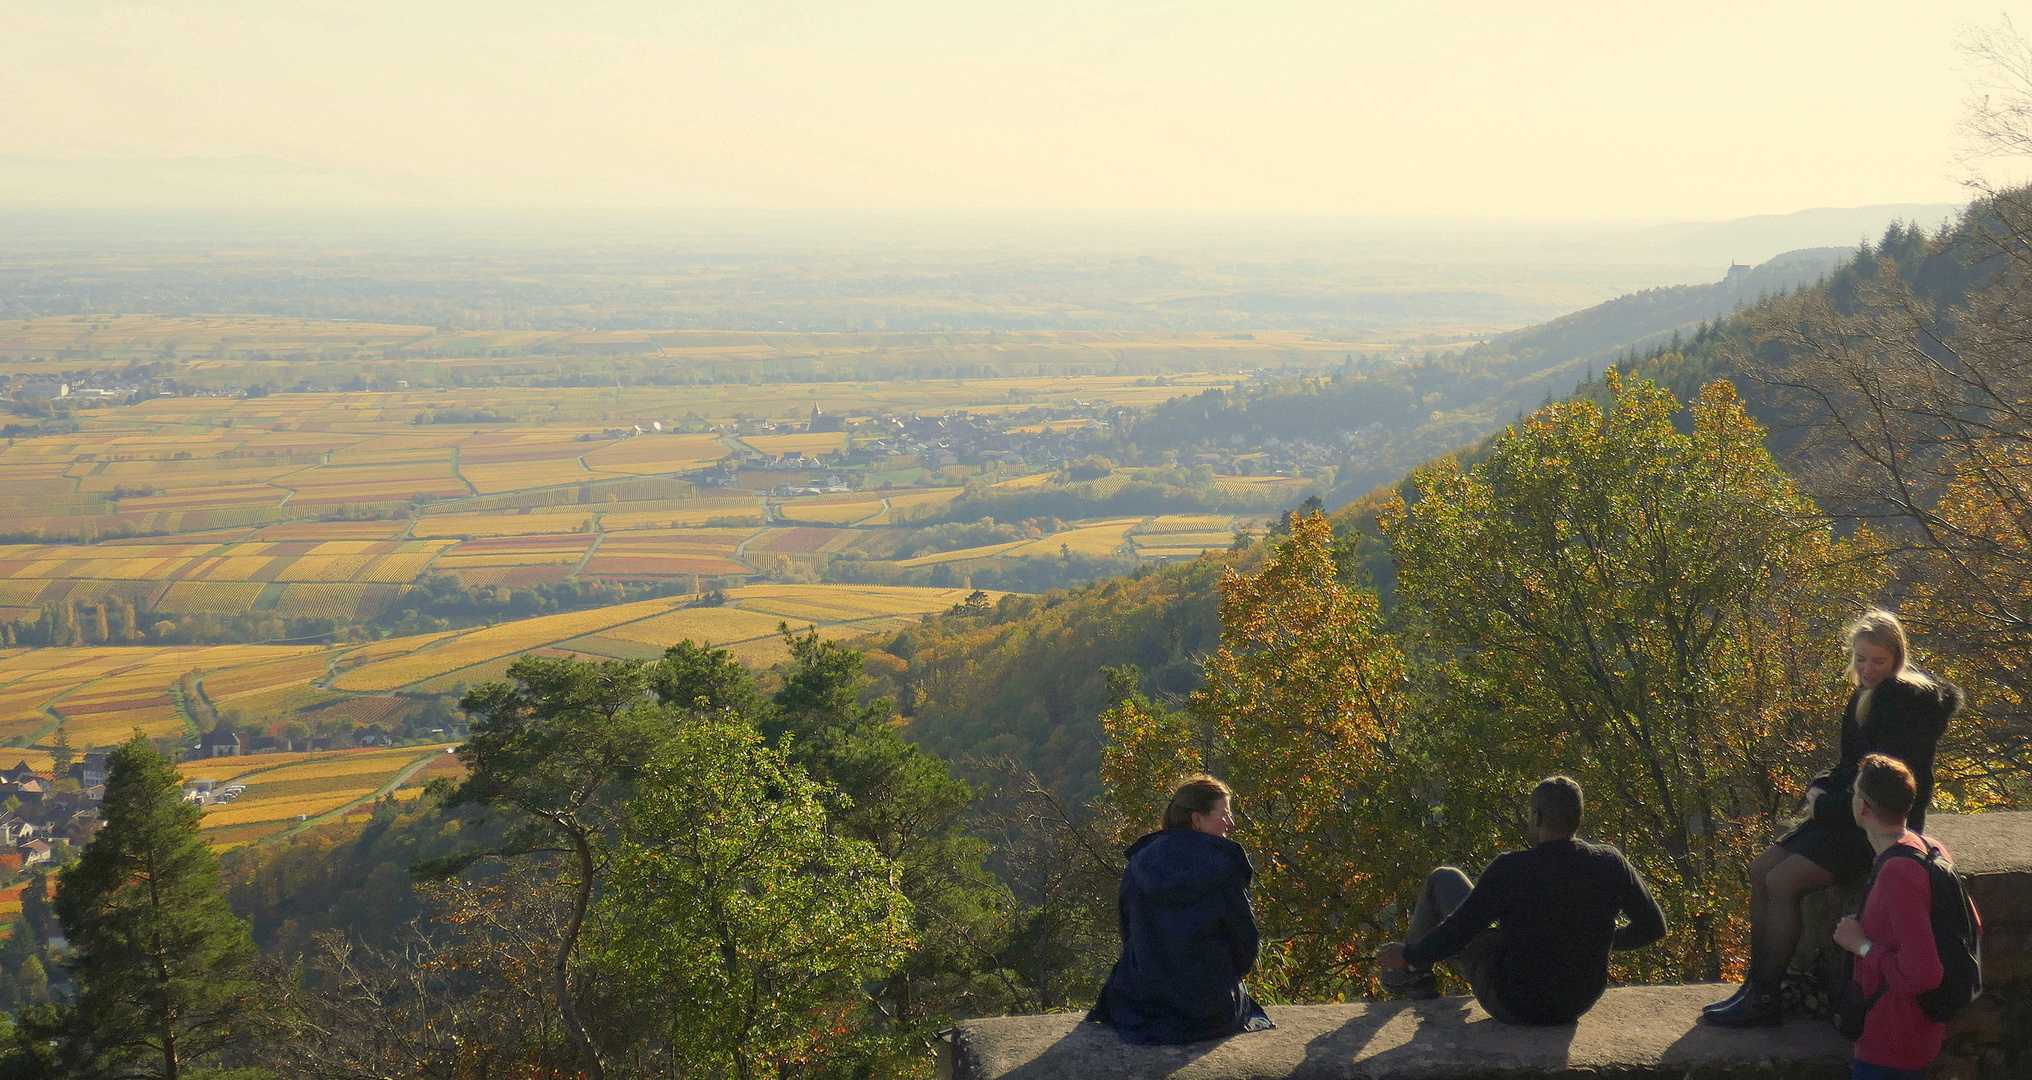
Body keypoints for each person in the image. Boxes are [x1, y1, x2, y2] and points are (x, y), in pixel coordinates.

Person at [1707, 610, 1962, 1026]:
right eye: (1860, 659)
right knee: (1760, 870)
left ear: (1897, 657)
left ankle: (1767, 996)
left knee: (1782, 880)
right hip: (1853, 811)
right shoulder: (1867, 694)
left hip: (1878, 823)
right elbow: (1852, 765)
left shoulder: (1904, 705)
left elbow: (1887, 786)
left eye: (1877, 660)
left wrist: (1823, 805)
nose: (1867, 668)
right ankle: (1755, 984)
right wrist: (1821, 786)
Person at [1376, 775, 1667, 1025]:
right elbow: (1653, 927)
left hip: (1514, 1003)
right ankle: (1414, 972)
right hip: (1576, 1003)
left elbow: (1458, 932)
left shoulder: (1512, 868)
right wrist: (1592, 941)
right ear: (1578, 817)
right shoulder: (1610, 862)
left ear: (1537, 817)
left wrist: (1407, 955)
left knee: (1443, 879)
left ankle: (1412, 976)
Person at [1087, 775, 1275, 1044]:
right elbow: (1244, 945)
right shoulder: (1225, 865)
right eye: (1224, 814)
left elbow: (1129, 935)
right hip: (1211, 1011)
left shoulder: (1140, 862)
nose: (1231, 823)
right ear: (1197, 819)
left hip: (1143, 1007)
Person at [1835, 754, 1962, 1079]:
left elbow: (1924, 974)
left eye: (1855, 793)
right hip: (1916, 1031)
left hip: (1892, 1040)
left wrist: (1861, 946)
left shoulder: (1897, 872)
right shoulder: (1928, 847)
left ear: (1862, 807)